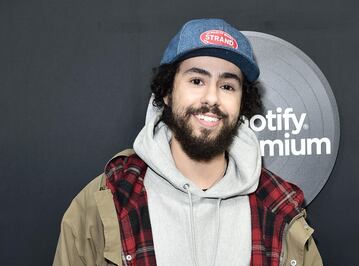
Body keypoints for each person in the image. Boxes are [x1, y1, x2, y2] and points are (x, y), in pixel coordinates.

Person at [53, 18, 323, 266]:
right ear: (168, 93)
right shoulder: (109, 198)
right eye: (196, 80)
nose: (212, 98)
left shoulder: (279, 207)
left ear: (242, 103)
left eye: (227, 86)